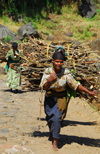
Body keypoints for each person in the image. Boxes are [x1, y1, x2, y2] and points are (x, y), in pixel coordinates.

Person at [39, 50, 98, 151]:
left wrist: (88, 91)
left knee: (57, 118)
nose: (59, 64)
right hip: (49, 98)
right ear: (53, 61)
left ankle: (55, 141)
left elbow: (75, 85)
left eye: (61, 62)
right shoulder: (48, 72)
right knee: (49, 117)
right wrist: (50, 80)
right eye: (57, 61)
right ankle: (51, 132)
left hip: (61, 99)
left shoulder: (65, 73)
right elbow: (43, 88)